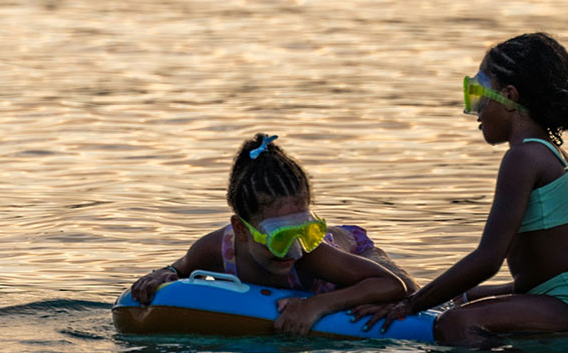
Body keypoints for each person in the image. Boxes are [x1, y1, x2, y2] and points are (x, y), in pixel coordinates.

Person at [357, 33, 568, 345]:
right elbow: (539, 269)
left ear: (510, 96)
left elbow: (488, 260)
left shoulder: (523, 158)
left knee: (454, 324)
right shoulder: (551, 154)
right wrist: (448, 295)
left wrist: (408, 305)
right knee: (461, 297)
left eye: (479, 93)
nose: (476, 110)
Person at [129, 132, 412, 336]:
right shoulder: (213, 249)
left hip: (355, 251)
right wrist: (162, 274)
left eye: (304, 230)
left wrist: (316, 306)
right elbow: (179, 268)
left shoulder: (310, 254)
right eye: (279, 237)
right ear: (241, 230)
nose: (294, 250)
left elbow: (392, 284)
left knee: (412, 295)